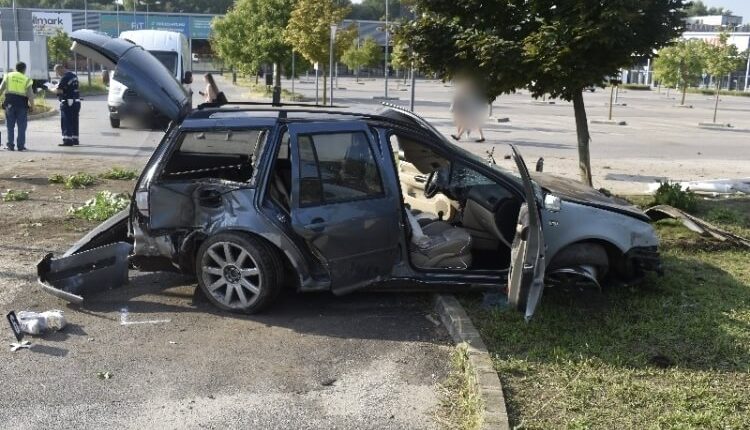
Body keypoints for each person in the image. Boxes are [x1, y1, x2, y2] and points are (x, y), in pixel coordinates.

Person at [0, 62, 34, 151]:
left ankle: (10, 145)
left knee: (10, 126)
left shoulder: (8, 76)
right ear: (24, 69)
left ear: (16, 68)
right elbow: (30, 95)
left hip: (9, 104)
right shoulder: (27, 79)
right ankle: (21, 146)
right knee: (22, 126)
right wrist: (32, 106)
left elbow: (1, 89)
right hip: (22, 105)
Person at [54, 64, 81, 147]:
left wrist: (52, 89)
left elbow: (59, 90)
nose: (57, 74)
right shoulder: (74, 76)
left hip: (67, 102)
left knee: (66, 121)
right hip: (76, 101)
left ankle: (67, 140)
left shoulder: (65, 77)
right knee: (74, 121)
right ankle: (75, 139)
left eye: (57, 72)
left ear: (61, 69)